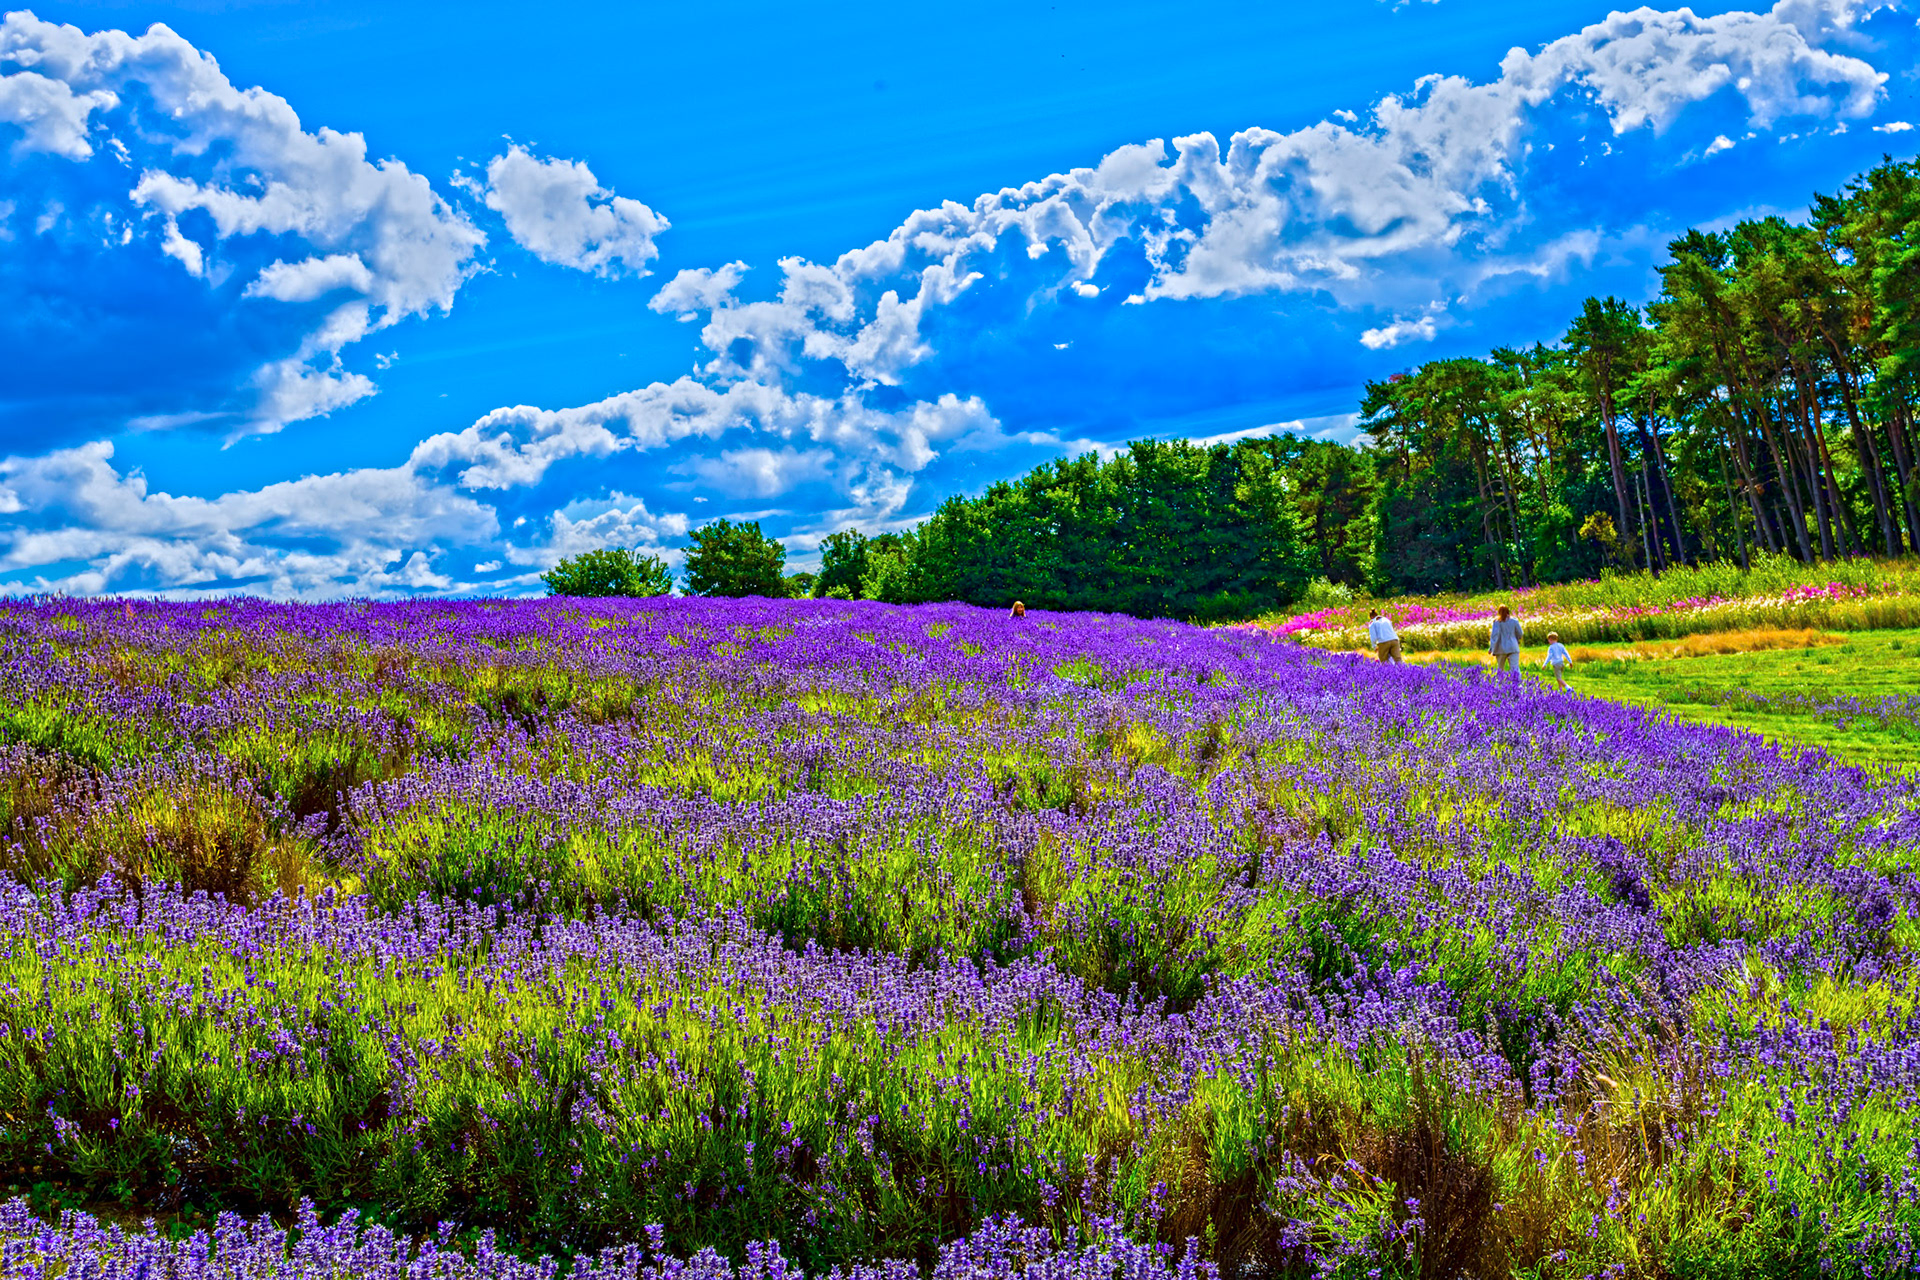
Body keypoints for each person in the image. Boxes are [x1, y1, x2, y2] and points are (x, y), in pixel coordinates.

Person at [1489, 604, 1523, 683]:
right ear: (1508, 611)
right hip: (1513, 647)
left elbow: (1494, 636)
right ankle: (1517, 684)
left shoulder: (1497, 622)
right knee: (1515, 668)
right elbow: (1520, 633)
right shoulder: (1514, 621)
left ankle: (1501, 685)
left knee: (1500, 669)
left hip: (1500, 648)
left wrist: (1491, 648)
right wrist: (1516, 639)